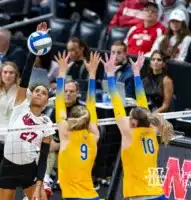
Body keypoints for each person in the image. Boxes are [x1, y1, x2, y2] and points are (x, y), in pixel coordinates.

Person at [102, 52, 174, 200]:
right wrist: (136, 73)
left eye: (130, 117)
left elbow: (117, 104)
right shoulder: (153, 129)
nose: (127, 118)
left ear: (133, 122)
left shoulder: (128, 131)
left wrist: (110, 76)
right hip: (157, 193)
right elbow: (143, 104)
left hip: (139, 195)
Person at [0, 22, 54, 200]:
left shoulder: (48, 124)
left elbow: (43, 158)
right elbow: (26, 74)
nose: (40, 94)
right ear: (31, 95)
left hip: (29, 169)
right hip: (8, 167)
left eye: (44, 93)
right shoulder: (21, 106)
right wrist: (35, 49)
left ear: (46, 101)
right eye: (37, 91)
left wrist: (39, 184)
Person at [55, 51, 100, 199]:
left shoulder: (65, 135)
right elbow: (91, 105)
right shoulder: (94, 136)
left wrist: (61, 72)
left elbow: (59, 102)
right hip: (90, 195)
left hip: (74, 196)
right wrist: (92, 74)